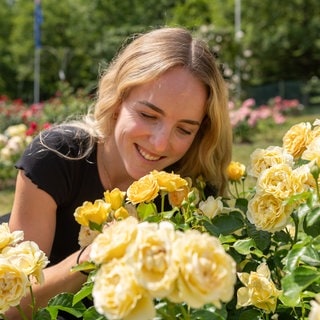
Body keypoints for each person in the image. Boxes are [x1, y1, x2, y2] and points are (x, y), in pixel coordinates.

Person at [6, 26, 232, 319]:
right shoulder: (56, 157)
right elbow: (13, 305)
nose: (160, 143)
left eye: (185, 129)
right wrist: (93, 256)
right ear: (117, 100)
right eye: (148, 115)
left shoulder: (191, 189)